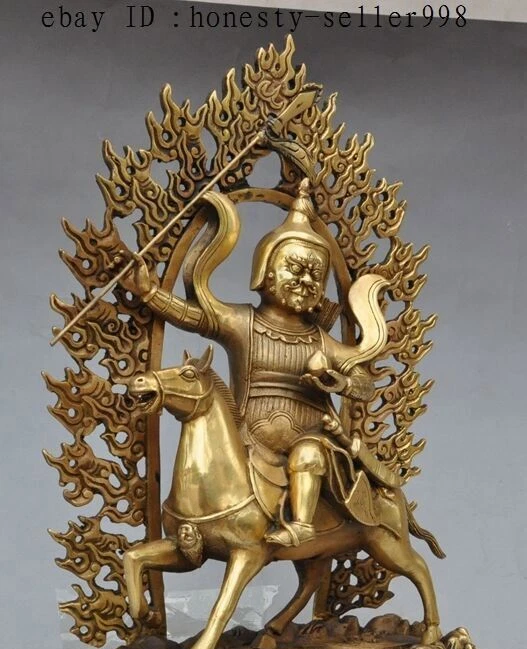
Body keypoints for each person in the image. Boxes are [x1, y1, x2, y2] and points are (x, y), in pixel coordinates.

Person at [115, 179, 387, 546]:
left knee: (307, 454)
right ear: (265, 272)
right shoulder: (244, 324)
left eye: (315, 275)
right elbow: (196, 316)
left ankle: (302, 526)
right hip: (247, 442)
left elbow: (364, 383)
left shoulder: (322, 341)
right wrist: (150, 294)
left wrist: (340, 383)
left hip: (313, 439)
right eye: (295, 269)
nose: (305, 281)